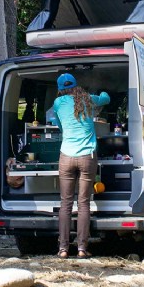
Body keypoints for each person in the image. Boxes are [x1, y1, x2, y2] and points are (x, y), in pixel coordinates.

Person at [53, 73, 110, 259]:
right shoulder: (88, 99)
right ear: (76, 85)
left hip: (66, 156)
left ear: (60, 88)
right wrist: (100, 89)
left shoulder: (58, 103)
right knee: (84, 203)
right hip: (87, 156)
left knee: (65, 203)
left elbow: (61, 127)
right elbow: (106, 98)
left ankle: (62, 249)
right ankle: (82, 249)